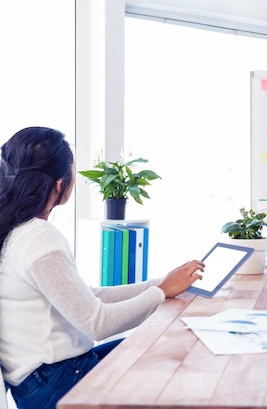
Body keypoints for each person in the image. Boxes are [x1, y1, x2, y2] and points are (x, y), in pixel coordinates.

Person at [0, 127, 205, 409]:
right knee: (167, 355)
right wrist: (160, 292)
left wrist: (164, 283)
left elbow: (86, 296)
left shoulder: (14, 230)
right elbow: (97, 323)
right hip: (57, 381)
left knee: (154, 346)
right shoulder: (39, 238)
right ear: (60, 184)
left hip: (38, 383)